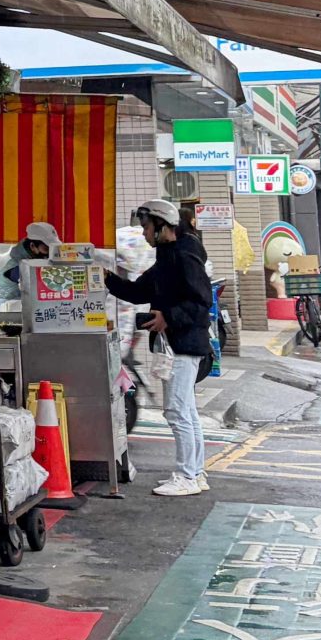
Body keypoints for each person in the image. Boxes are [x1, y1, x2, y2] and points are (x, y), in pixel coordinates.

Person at [104, 199, 214, 497]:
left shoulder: (184, 255)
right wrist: (107, 278)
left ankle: (186, 476)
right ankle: (196, 473)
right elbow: (139, 290)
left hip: (183, 345)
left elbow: (202, 301)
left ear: (162, 225)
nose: (144, 233)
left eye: (146, 227)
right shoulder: (169, 256)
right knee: (186, 411)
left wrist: (169, 316)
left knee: (177, 411)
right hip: (178, 344)